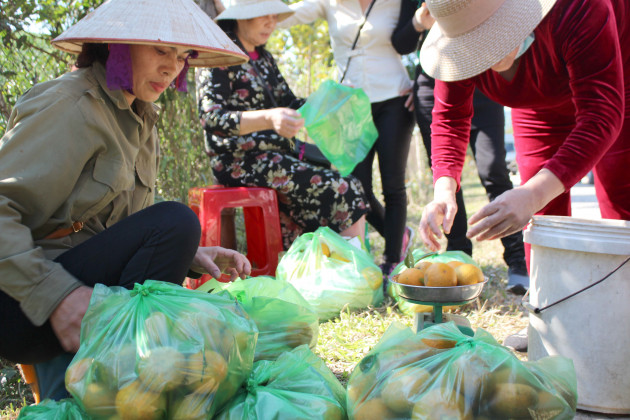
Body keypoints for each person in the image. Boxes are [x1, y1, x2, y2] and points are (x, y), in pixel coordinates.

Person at [0, 0, 253, 400]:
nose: (172, 67)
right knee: (176, 221)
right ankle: (111, 380)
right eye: (160, 50)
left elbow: (114, 228)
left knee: (178, 227)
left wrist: (191, 254)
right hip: (21, 304)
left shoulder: (140, 116)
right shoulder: (72, 105)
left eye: (181, 55)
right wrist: (56, 296)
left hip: (68, 290)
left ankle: (121, 387)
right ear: (118, 44)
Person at [417, 0, 629, 351]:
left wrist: (531, 194)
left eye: (490, 40)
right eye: (472, 46)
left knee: (622, 204)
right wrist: (444, 189)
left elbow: (600, 115)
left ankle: (622, 324)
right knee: (541, 221)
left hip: (618, 81)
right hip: (537, 107)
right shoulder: (459, 21)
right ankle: (549, 325)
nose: (483, 57)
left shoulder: (580, 7)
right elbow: (450, 117)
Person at [199, 0, 368, 251]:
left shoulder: (263, 58)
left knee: (351, 183)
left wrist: (328, 99)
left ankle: (343, 272)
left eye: (274, 15)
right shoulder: (220, 53)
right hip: (237, 161)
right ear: (241, 16)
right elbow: (211, 118)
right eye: (263, 14)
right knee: (342, 188)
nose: (272, 21)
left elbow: (289, 104)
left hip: (275, 156)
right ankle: (350, 273)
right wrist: (268, 118)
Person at [392, 1, 529, 294]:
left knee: (493, 168)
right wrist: (419, 20)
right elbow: (400, 43)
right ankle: (459, 258)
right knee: (447, 181)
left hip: (483, 76)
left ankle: (518, 260)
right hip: (435, 82)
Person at [277, 0, 416, 279]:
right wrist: (233, 8)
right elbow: (283, 17)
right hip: (350, 107)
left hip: (395, 98)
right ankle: (398, 233)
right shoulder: (328, 2)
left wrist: (424, 83)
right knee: (356, 186)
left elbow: (426, 32)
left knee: (392, 183)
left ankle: (391, 262)